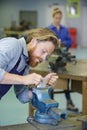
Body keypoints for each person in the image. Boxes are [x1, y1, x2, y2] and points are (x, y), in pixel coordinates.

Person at [0, 28, 58, 103]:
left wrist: (43, 84)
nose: (43, 58)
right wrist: (23, 79)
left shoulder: (25, 63)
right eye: (43, 51)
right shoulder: (12, 45)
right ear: (33, 42)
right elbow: (23, 80)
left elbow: (22, 96)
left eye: (47, 56)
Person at [48, 8, 78, 112]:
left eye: (60, 18)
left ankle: (69, 103)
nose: (58, 20)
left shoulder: (65, 29)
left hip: (62, 60)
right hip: (52, 60)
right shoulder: (49, 29)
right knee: (51, 82)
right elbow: (45, 43)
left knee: (65, 81)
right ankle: (50, 105)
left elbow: (70, 41)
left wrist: (62, 43)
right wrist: (55, 43)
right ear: (53, 17)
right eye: (56, 18)